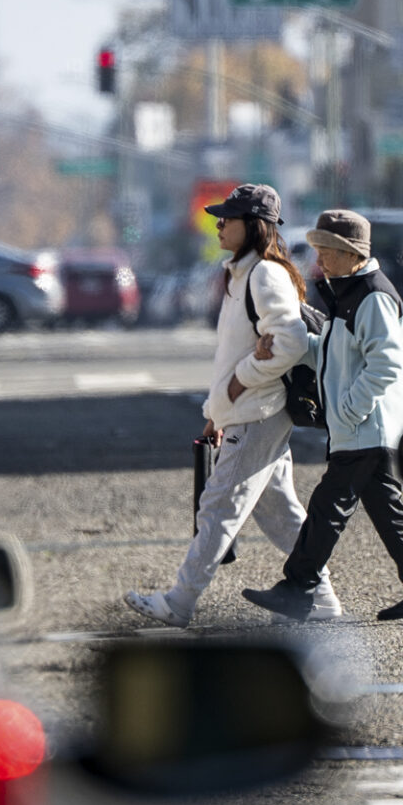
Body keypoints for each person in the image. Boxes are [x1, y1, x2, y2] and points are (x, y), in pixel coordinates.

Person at [123, 184, 339, 628]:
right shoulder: (244, 273)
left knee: (218, 508)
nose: (218, 224)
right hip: (247, 410)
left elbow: (291, 342)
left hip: (258, 411)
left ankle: (179, 602)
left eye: (228, 218)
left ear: (254, 226)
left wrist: (242, 381)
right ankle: (321, 599)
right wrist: (217, 410)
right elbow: (236, 353)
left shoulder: (264, 274)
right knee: (280, 515)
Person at [240, 209, 403, 623]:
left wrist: (350, 410)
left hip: (366, 429)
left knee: (326, 508)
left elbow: (385, 363)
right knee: (387, 512)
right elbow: (335, 354)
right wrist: (288, 345)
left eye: (326, 251)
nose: (319, 260)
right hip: (362, 429)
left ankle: (298, 588)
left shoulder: (372, 295)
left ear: (350, 253)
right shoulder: (350, 291)